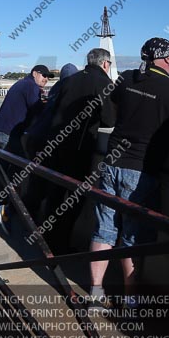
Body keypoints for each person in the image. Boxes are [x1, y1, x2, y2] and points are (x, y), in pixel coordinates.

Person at [88, 37, 169, 313]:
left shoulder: (126, 78)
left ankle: (95, 293)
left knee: (103, 229)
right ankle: (130, 300)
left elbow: (110, 114)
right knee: (132, 237)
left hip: (112, 161)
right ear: (166, 59)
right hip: (141, 170)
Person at [27, 50, 116, 252]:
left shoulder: (69, 80)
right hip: (80, 149)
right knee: (76, 197)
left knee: (55, 193)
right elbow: (110, 119)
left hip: (55, 145)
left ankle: (47, 240)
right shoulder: (103, 83)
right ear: (104, 64)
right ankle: (61, 244)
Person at [0, 64, 54, 230]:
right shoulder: (31, 86)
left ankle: (0, 200)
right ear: (34, 73)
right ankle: (2, 206)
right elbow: (37, 111)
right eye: (43, 75)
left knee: (7, 167)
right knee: (18, 168)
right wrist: (50, 105)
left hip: (3, 129)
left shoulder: (24, 84)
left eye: (48, 77)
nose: (46, 79)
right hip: (7, 132)